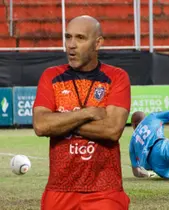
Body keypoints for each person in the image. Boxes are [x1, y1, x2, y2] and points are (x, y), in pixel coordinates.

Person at [33, 15, 131, 210]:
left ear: (97, 43)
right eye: (68, 37)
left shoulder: (116, 77)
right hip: (60, 189)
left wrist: (62, 123)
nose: (71, 45)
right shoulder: (51, 76)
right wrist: (87, 113)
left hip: (104, 189)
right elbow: (41, 125)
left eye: (80, 38)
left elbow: (111, 130)